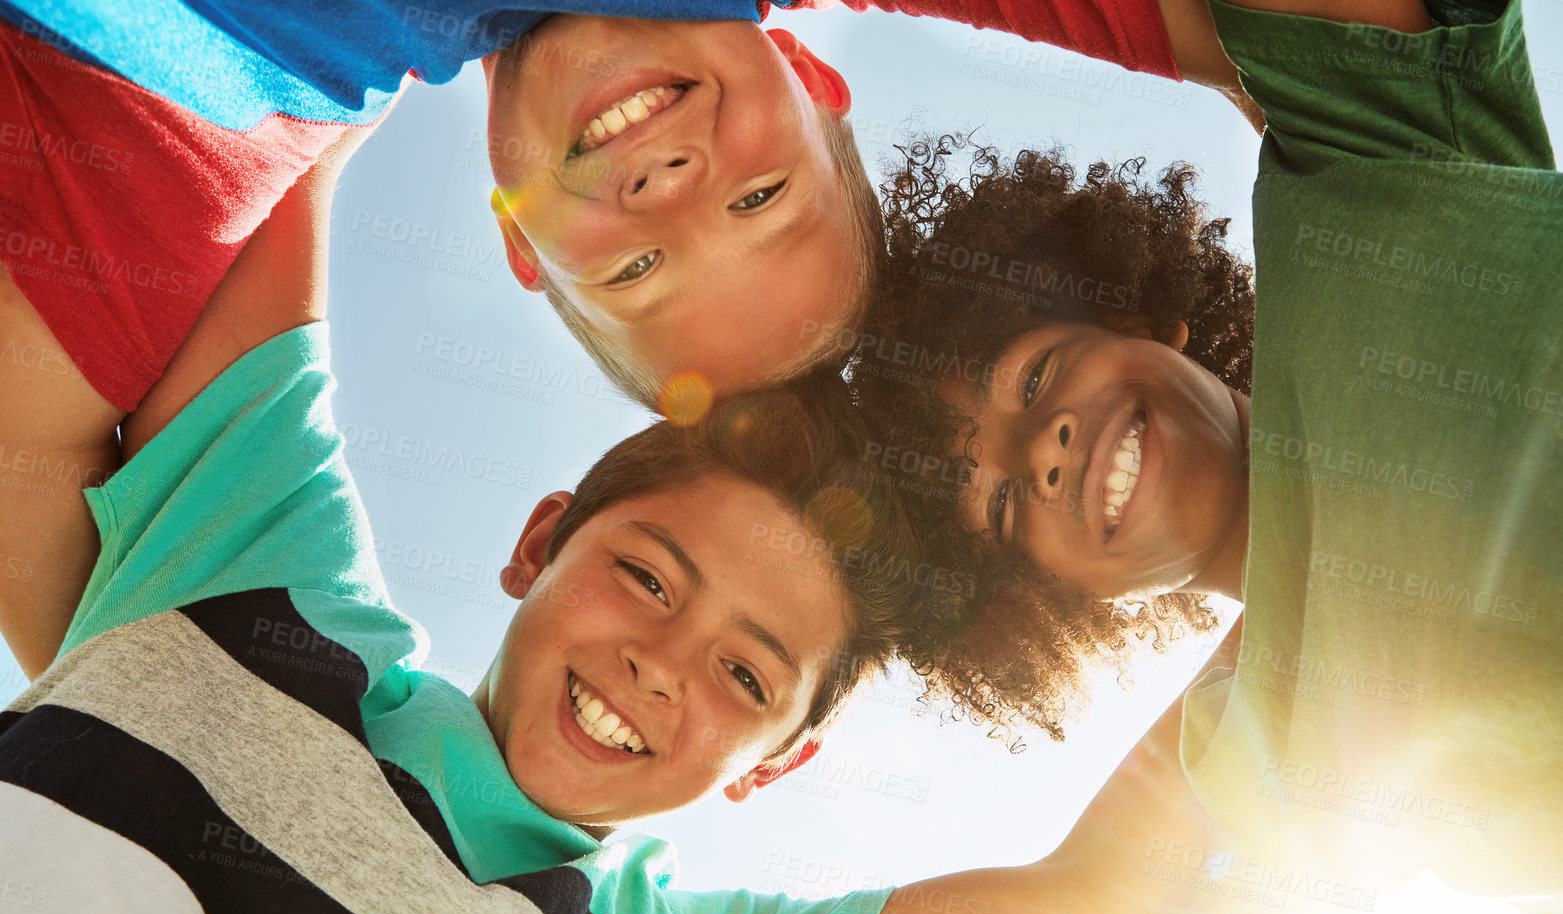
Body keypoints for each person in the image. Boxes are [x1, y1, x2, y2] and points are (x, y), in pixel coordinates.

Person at [0, 129, 1226, 914]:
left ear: (777, 763)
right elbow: (266, 120)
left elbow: (1102, 913)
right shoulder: (259, 578)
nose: (659, 663)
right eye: (644, 576)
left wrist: (1311, 567)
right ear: (539, 543)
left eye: (747, 675)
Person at [841, 0, 1563, 914]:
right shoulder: (1254, 763)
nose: (1047, 452)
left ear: (1138, 318)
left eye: (1035, 379)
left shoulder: (1359, 180)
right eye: (1009, 507)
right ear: (1056, 598)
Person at [0, 0, 1257, 680]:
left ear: (522, 245)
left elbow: (106, 631)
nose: (672, 186)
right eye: (764, 201)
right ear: (810, 75)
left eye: (639, 268)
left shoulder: (182, 126)